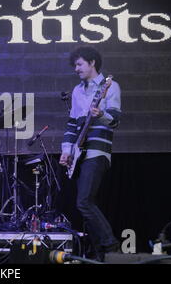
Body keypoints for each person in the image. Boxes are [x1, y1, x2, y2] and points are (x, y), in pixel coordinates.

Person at [59, 46, 121, 260]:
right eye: (75, 65)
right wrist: (67, 150)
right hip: (79, 154)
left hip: (97, 152)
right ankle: (99, 255)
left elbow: (115, 120)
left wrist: (101, 113)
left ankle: (111, 246)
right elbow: (72, 124)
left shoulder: (110, 86)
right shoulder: (77, 91)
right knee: (86, 206)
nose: (76, 69)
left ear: (92, 62)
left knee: (84, 202)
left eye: (79, 64)